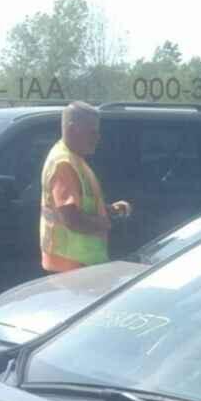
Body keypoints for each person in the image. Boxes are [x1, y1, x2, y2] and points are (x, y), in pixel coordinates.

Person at [40, 102, 131, 273]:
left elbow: (79, 206)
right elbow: (72, 219)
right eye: (92, 132)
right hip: (72, 268)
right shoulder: (64, 164)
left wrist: (107, 210)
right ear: (73, 129)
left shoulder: (74, 159)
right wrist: (104, 223)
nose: (97, 138)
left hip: (77, 266)